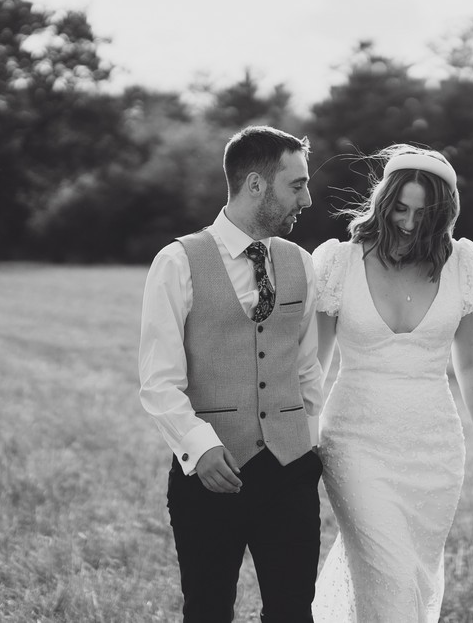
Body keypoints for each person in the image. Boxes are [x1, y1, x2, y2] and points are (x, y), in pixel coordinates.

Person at [310, 145, 473, 623]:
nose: (408, 221)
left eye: (423, 213)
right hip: (354, 443)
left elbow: (472, 363)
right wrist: (299, 434)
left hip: (433, 450)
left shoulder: (462, 263)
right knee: (388, 574)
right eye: (400, 207)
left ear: (443, 214)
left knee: (414, 577)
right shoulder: (341, 262)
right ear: (384, 200)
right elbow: (314, 362)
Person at [138, 125, 326, 623]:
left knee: (292, 613)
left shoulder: (301, 264)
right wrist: (198, 447)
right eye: (297, 184)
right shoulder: (178, 261)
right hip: (210, 474)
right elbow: (159, 380)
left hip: (291, 473)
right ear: (256, 185)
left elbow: (307, 369)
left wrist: (307, 442)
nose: (306, 198)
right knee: (207, 610)